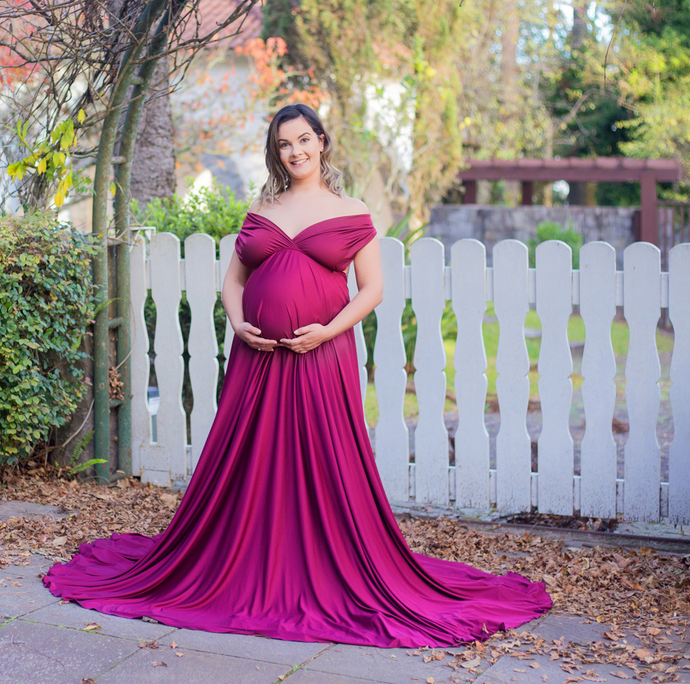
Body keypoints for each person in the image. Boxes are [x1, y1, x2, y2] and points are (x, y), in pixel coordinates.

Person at [43, 104, 551, 648]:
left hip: (320, 357)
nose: (295, 151)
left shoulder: (351, 209)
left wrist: (327, 333)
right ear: (276, 151)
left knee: (320, 458)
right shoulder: (264, 206)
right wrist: (239, 325)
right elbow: (233, 281)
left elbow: (373, 291)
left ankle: (320, 560)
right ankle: (246, 557)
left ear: (322, 142)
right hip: (256, 358)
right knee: (250, 458)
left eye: (304, 140)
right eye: (285, 144)